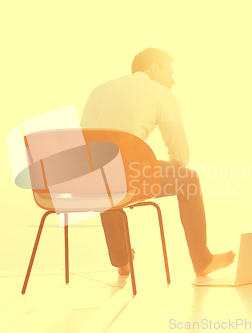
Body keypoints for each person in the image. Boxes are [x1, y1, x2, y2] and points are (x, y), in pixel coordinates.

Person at [81, 48, 235, 276]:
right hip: (124, 179)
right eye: (169, 72)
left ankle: (122, 261)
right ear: (154, 68)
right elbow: (181, 155)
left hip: (84, 181)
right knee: (189, 180)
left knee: (106, 173)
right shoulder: (160, 93)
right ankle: (203, 261)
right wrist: (171, 167)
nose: (174, 80)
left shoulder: (98, 90)